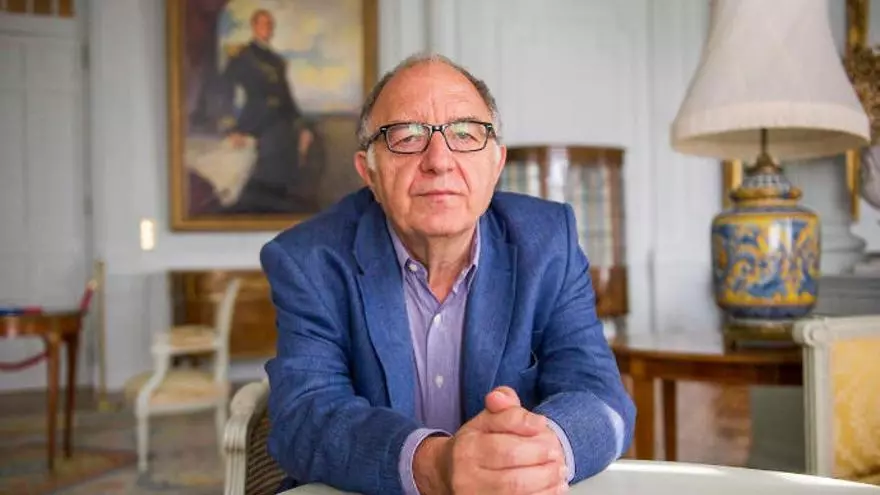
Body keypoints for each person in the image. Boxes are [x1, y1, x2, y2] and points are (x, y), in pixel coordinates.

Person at [260, 53, 636, 495]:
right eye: (406, 136)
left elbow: (602, 398)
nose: (439, 160)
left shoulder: (549, 241)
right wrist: (435, 464)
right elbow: (304, 417)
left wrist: (543, 449)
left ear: (496, 164)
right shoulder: (308, 260)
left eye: (465, 134)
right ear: (369, 173)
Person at [216, 8, 322, 214]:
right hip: (254, 121)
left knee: (292, 160)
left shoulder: (277, 61)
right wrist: (231, 128)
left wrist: (303, 127)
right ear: (254, 27)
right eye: (263, 24)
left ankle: (281, 208)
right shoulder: (243, 56)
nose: (267, 28)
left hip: (281, 122)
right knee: (262, 173)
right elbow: (223, 90)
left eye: (270, 25)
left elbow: (287, 99)